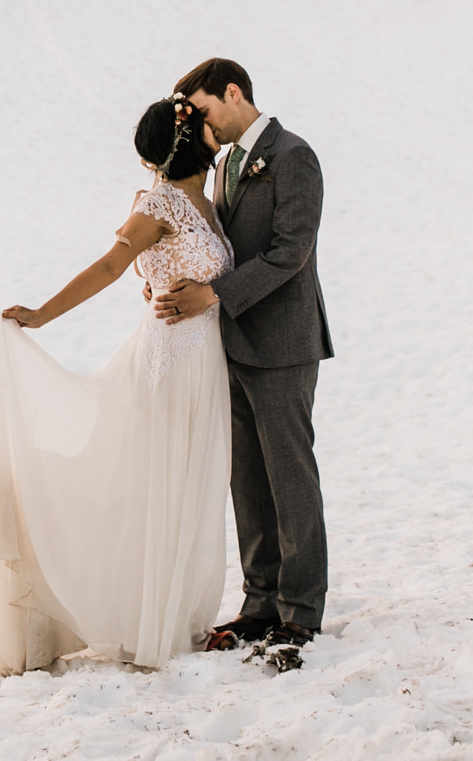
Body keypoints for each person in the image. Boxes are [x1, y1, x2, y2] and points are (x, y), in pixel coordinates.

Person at [0, 96, 236, 673]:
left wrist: (160, 277)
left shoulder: (209, 196)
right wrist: (43, 314)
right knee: (161, 484)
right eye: (206, 124)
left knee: (192, 485)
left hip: (206, 361)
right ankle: (149, 623)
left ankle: (173, 613)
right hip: (170, 362)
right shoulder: (159, 201)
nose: (217, 129)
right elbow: (110, 265)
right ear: (191, 137)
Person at [155, 57, 331, 672]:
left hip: (283, 342)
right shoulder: (227, 163)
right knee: (248, 481)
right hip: (231, 343)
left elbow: (291, 251)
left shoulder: (294, 156)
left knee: (290, 476)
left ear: (233, 93)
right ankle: (259, 601)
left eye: (203, 111)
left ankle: (300, 610)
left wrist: (215, 296)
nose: (202, 125)